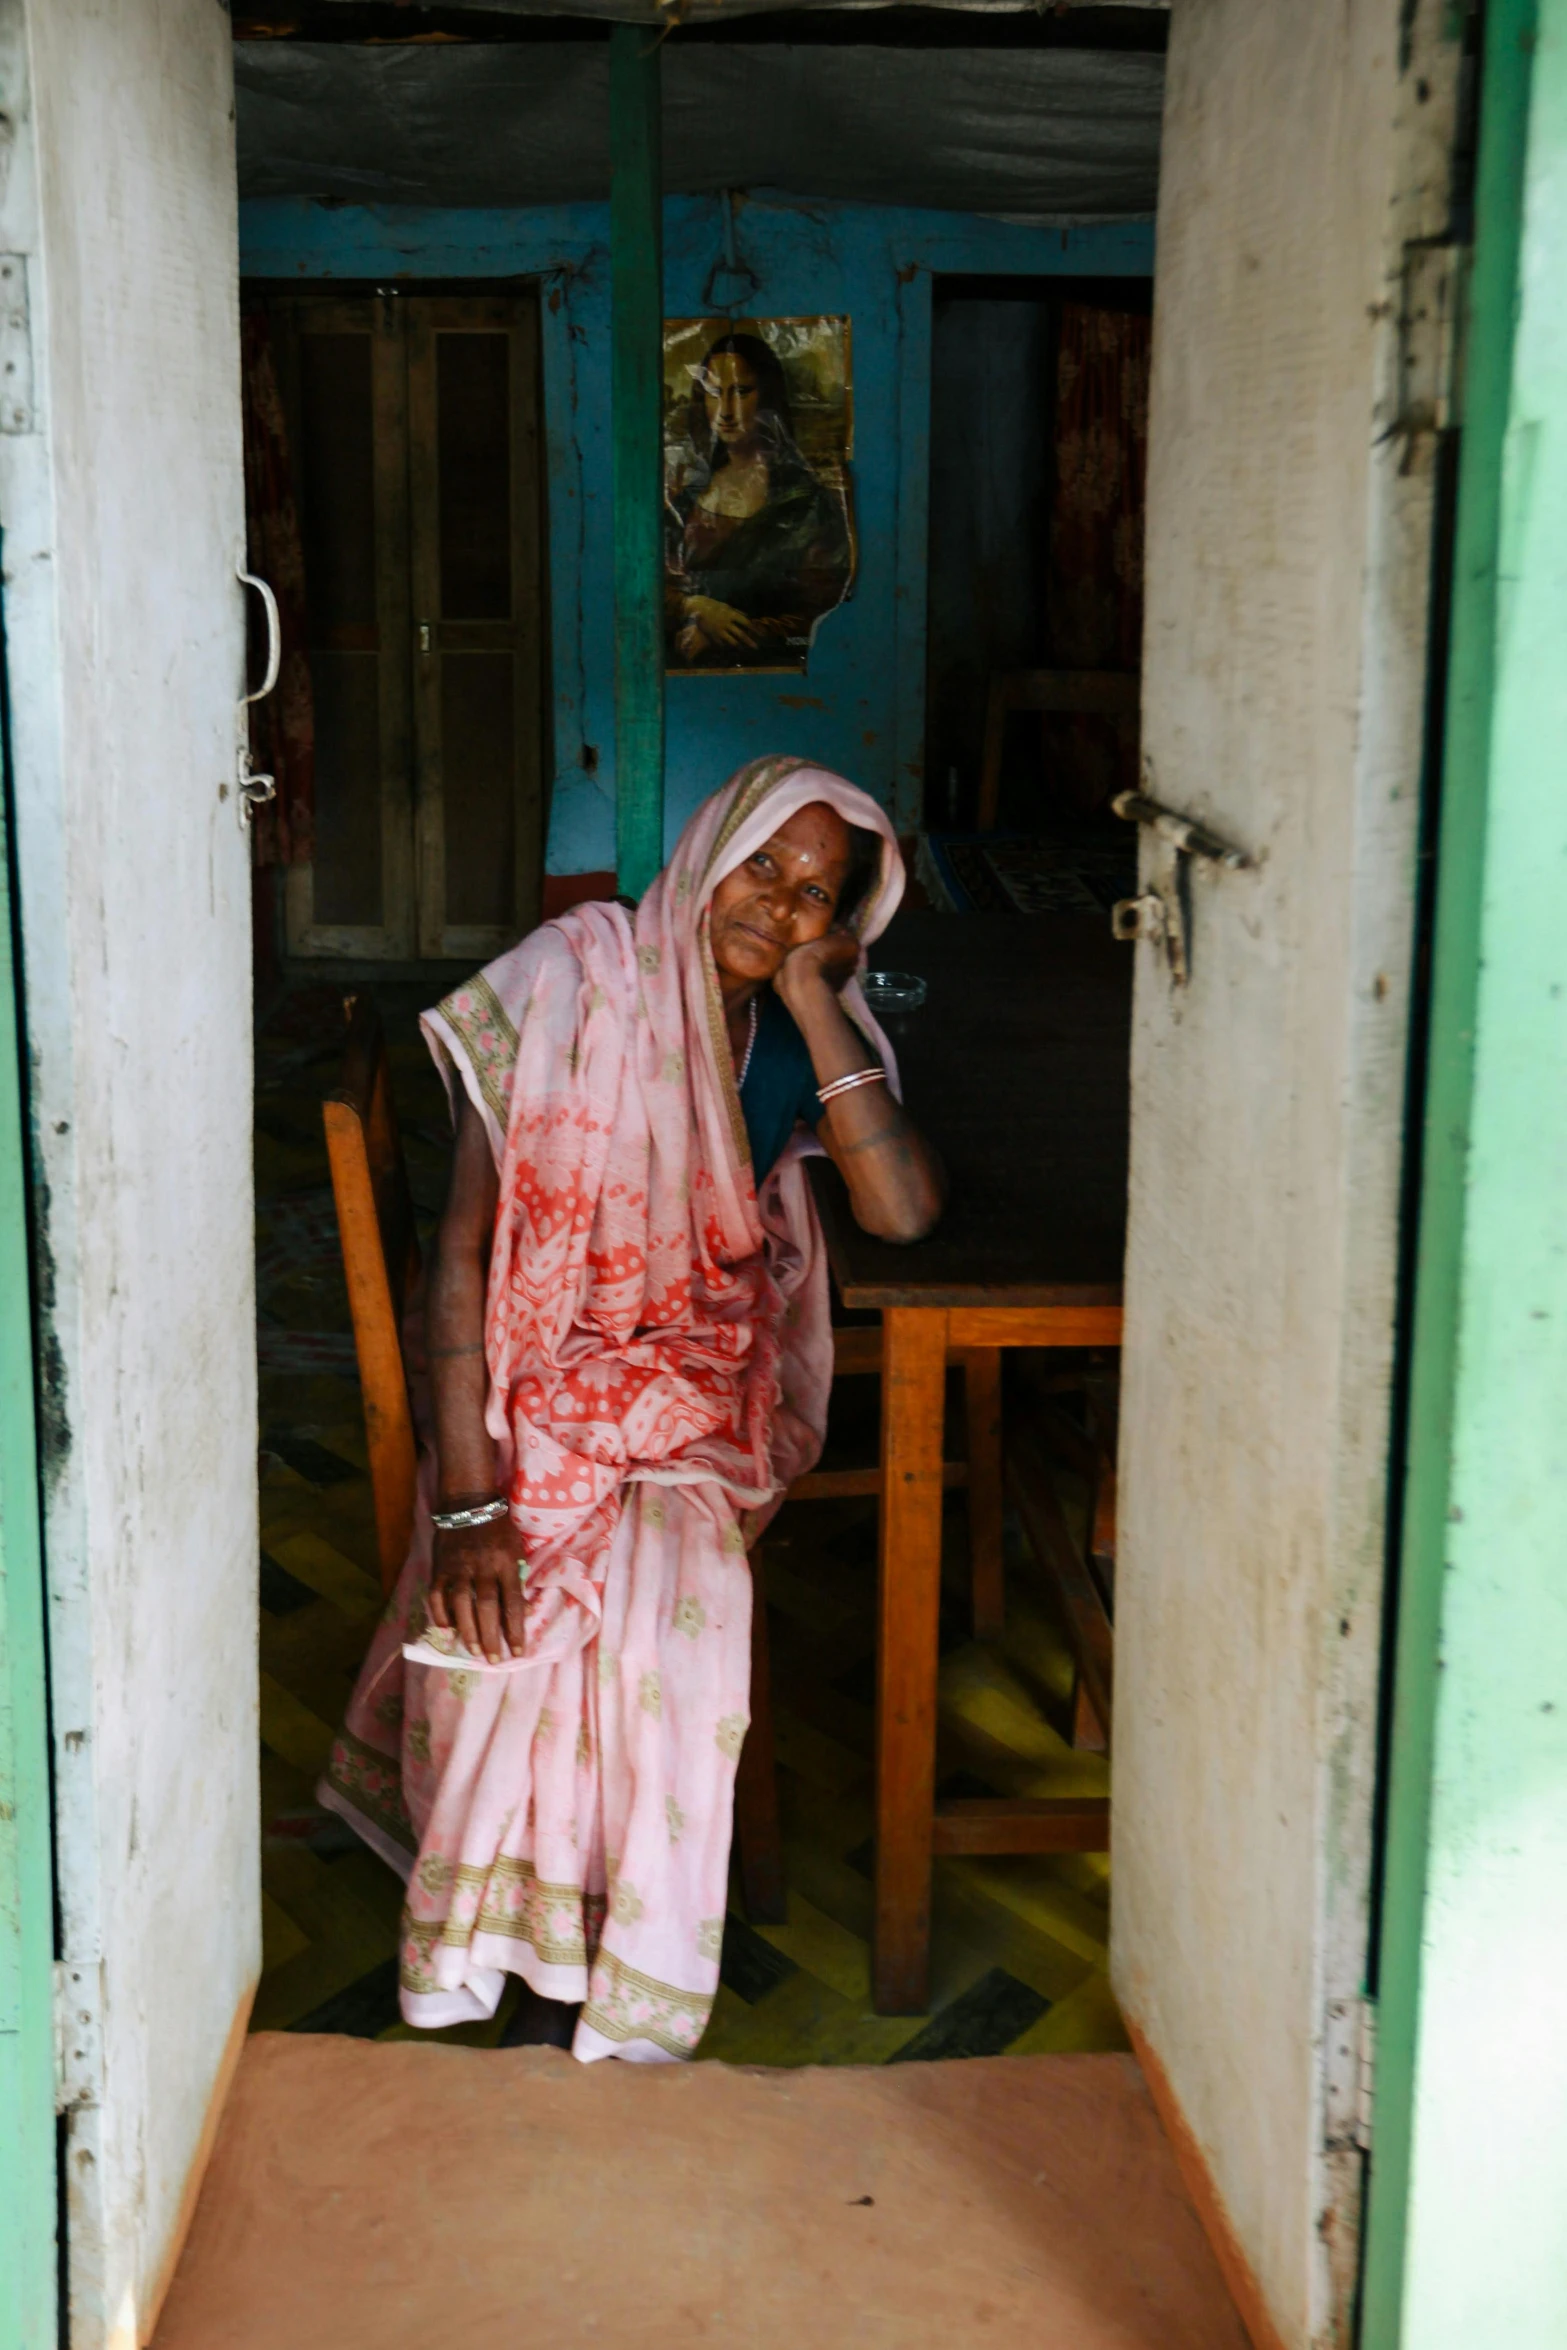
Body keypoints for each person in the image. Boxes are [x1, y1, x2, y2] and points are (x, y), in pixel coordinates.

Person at [318, 755, 943, 2061]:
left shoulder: (790, 1037)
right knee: (524, 1598)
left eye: (812, 894)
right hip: (528, 1379)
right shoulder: (568, 976)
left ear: (839, 922)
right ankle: (505, 1947)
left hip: (695, 1399)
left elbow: (899, 1210)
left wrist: (816, 1000)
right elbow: (463, 1251)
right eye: (761, 862)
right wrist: (473, 1494)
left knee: (665, 1605)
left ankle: (587, 1965)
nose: (771, 904)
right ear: (709, 839)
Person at [666, 332, 853, 669]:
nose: (726, 411)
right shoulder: (687, 499)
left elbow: (822, 613)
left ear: (767, 396)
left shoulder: (805, 503)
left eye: (740, 391)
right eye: (713, 392)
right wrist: (694, 608)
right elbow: (645, 588)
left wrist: (727, 634)